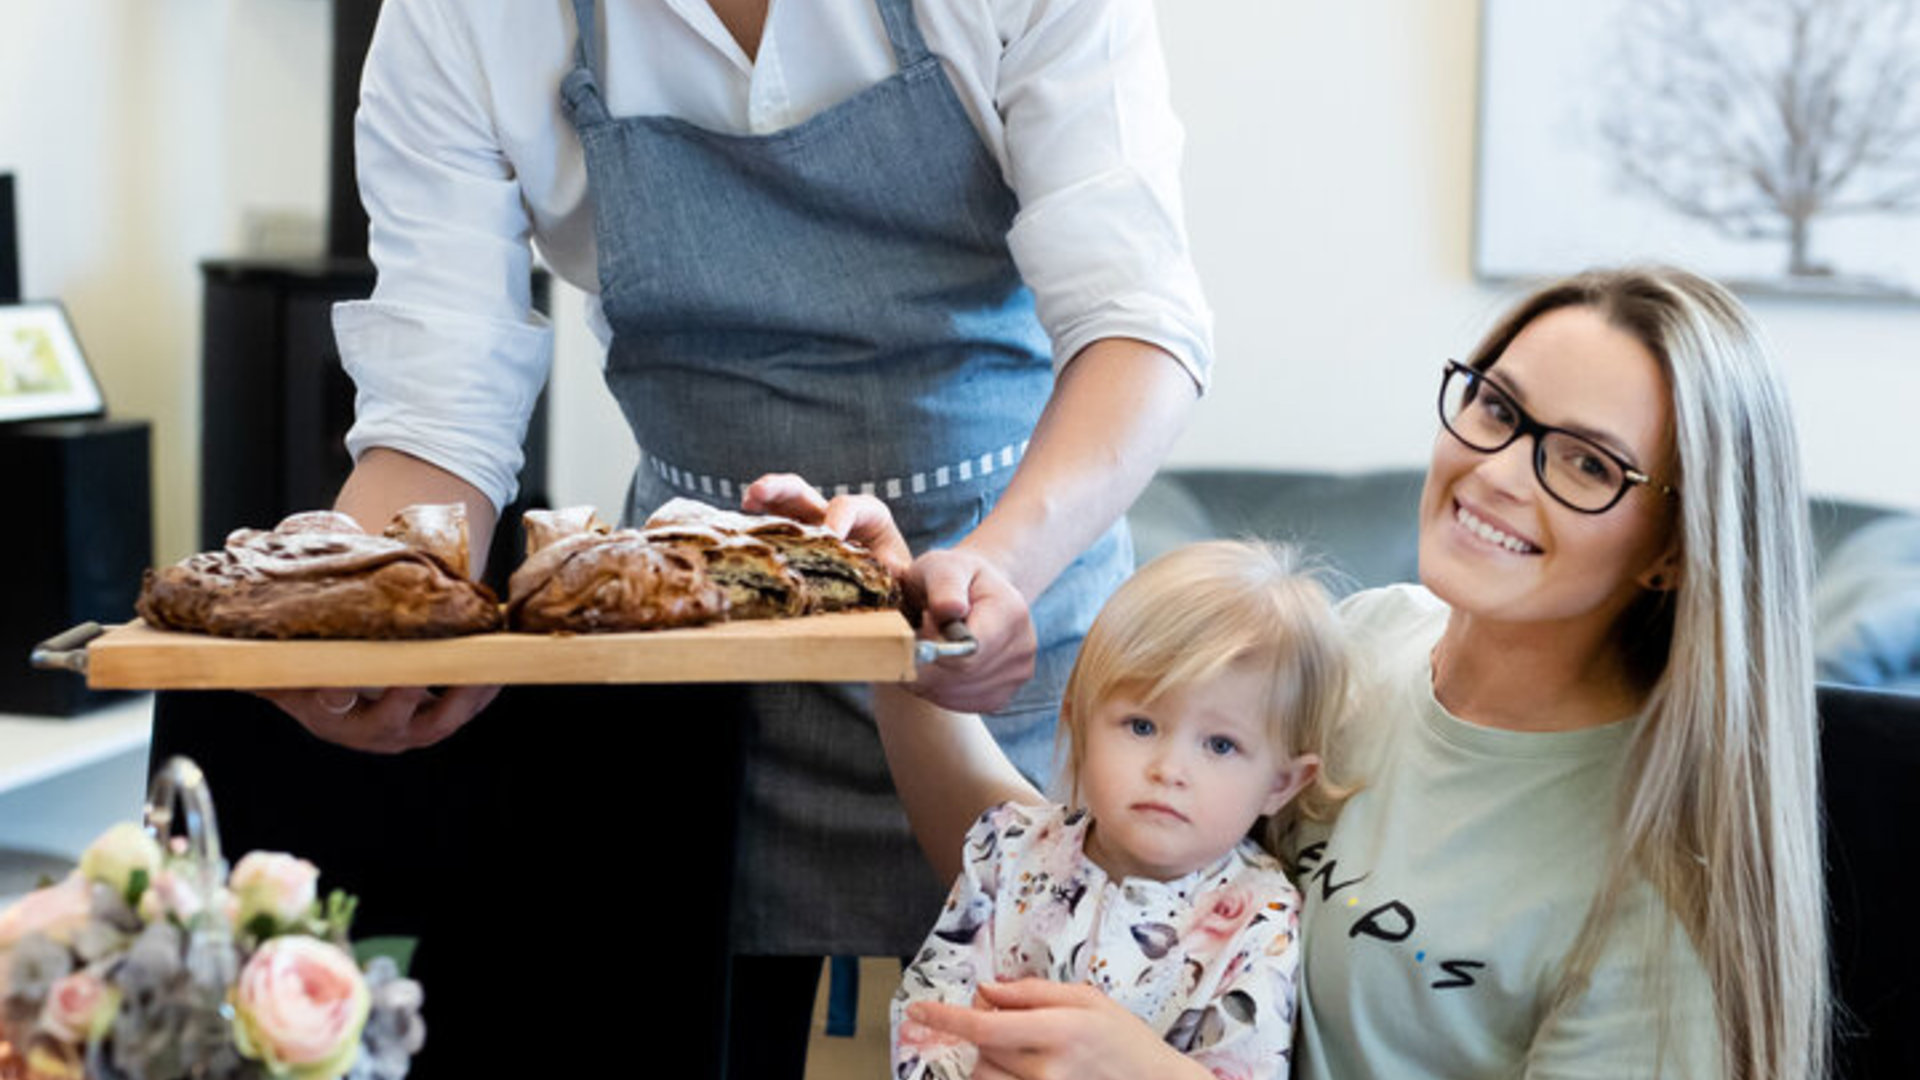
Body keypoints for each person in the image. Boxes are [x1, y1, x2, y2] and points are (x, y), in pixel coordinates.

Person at [153, 1, 1211, 1076]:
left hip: (1005, 644)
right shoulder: (460, 18)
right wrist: (367, 611)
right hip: (694, 672)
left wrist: (993, 570)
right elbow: (438, 423)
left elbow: (1139, 323)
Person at [897, 267, 1830, 1080]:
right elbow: (1051, 868)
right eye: (1498, 408)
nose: (1499, 471)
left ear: (1674, 548)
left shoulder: (1662, 892)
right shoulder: (1359, 645)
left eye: (1588, 464)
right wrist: (898, 633)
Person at [874, 541, 1347, 1080]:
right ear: (1081, 728)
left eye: (1220, 746)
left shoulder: (1262, 920)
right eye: (1142, 726)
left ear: (1280, 783)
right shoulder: (1006, 849)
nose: (1170, 770)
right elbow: (929, 1009)